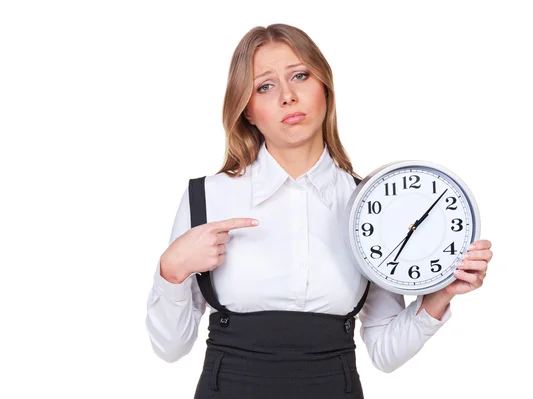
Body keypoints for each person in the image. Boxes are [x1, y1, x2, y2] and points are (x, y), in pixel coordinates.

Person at [145, 23, 493, 398]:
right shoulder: (207, 197)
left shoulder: (370, 205)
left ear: (324, 87)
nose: (288, 96)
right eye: (265, 86)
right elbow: (170, 347)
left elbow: (384, 353)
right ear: (246, 109)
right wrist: (172, 269)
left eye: (299, 76)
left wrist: (439, 297)